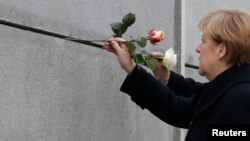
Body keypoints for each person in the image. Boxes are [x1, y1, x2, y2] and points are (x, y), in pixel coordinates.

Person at [103, 8, 250, 141]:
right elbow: (184, 108)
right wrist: (163, 76)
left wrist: (133, 70)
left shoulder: (240, 98)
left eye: (203, 41)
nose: (198, 48)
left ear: (221, 50)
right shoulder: (230, 88)